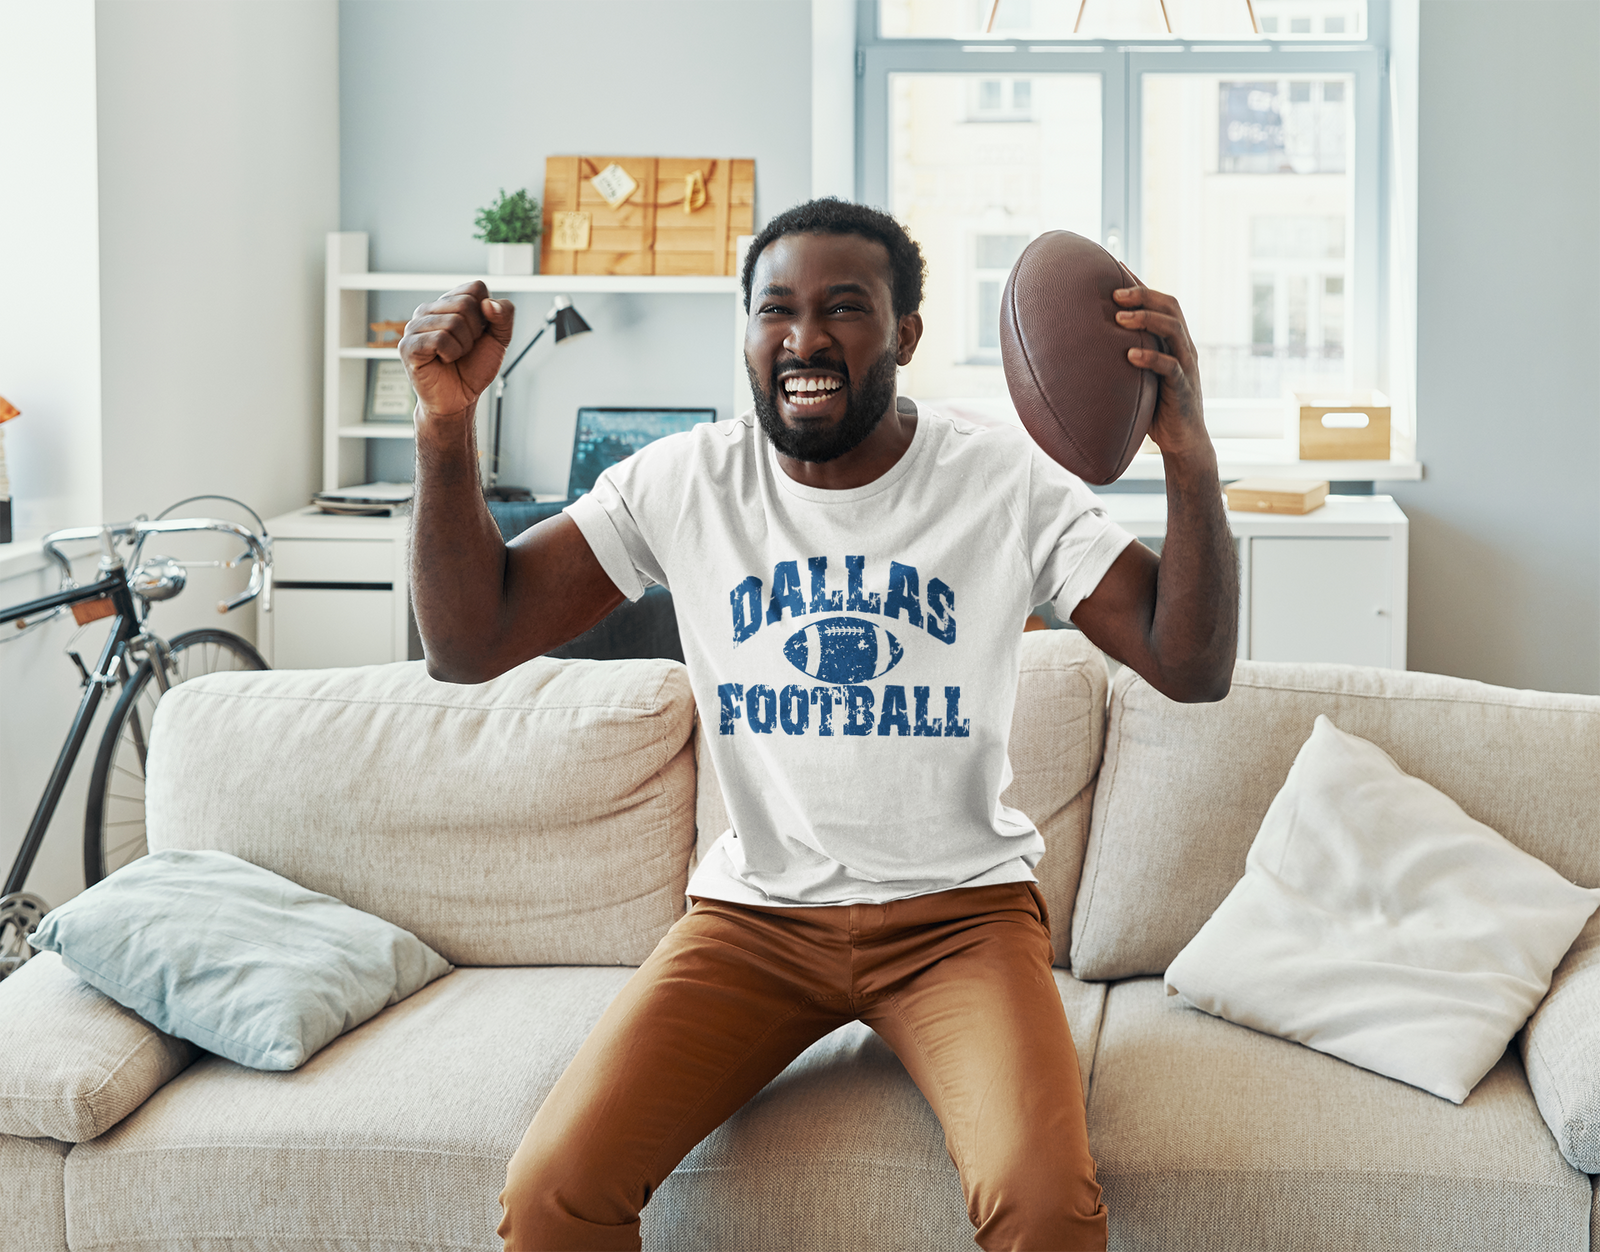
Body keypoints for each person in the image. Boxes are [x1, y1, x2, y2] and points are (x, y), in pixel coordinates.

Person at [400, 198, 1237, 1252]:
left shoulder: (998, 481)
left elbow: (1189, 665)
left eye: (844, 308)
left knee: (1043, 1201)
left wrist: (1189, 456)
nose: (805, 337)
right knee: (553, 1192)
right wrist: (444, 430)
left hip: (959, 920)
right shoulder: (687, 481)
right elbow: (469, 643)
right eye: (776, 310)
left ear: (906, 335)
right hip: (754, 922)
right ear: (747, 331)